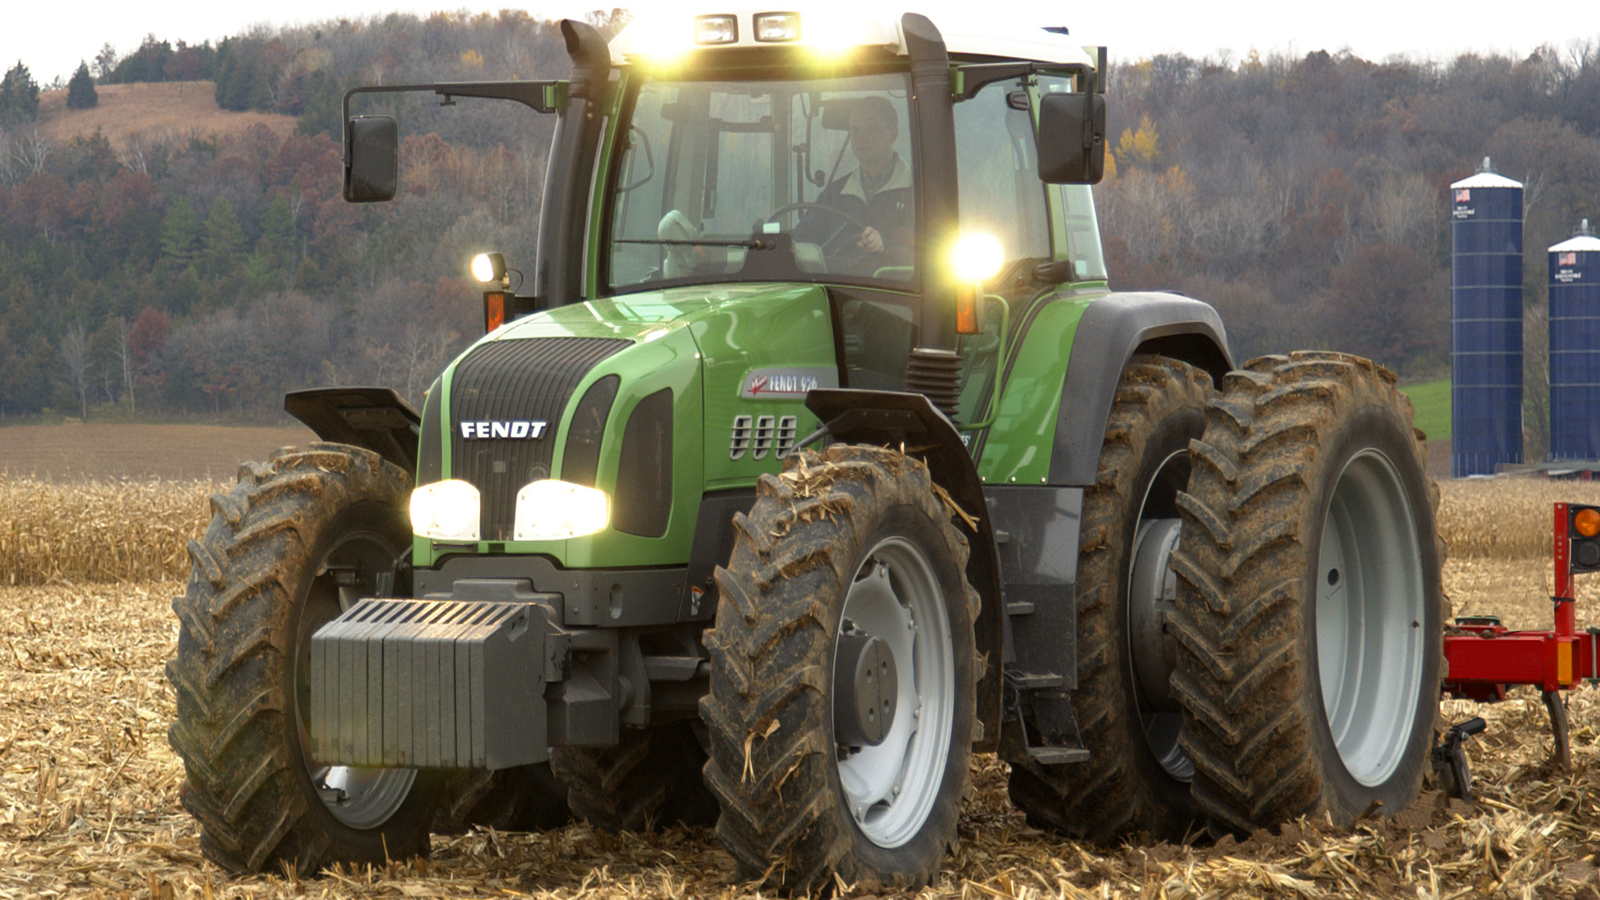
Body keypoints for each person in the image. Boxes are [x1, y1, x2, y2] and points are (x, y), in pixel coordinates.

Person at [800, 96, 913, 272]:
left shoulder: (917, 190)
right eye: (855, 130)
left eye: (871, 129)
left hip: (896, 294)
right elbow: (804, 236)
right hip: (838, 293)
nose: (861, 138)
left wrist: (885, 244)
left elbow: (934, 248)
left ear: (892, 135)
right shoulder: (835, 194)